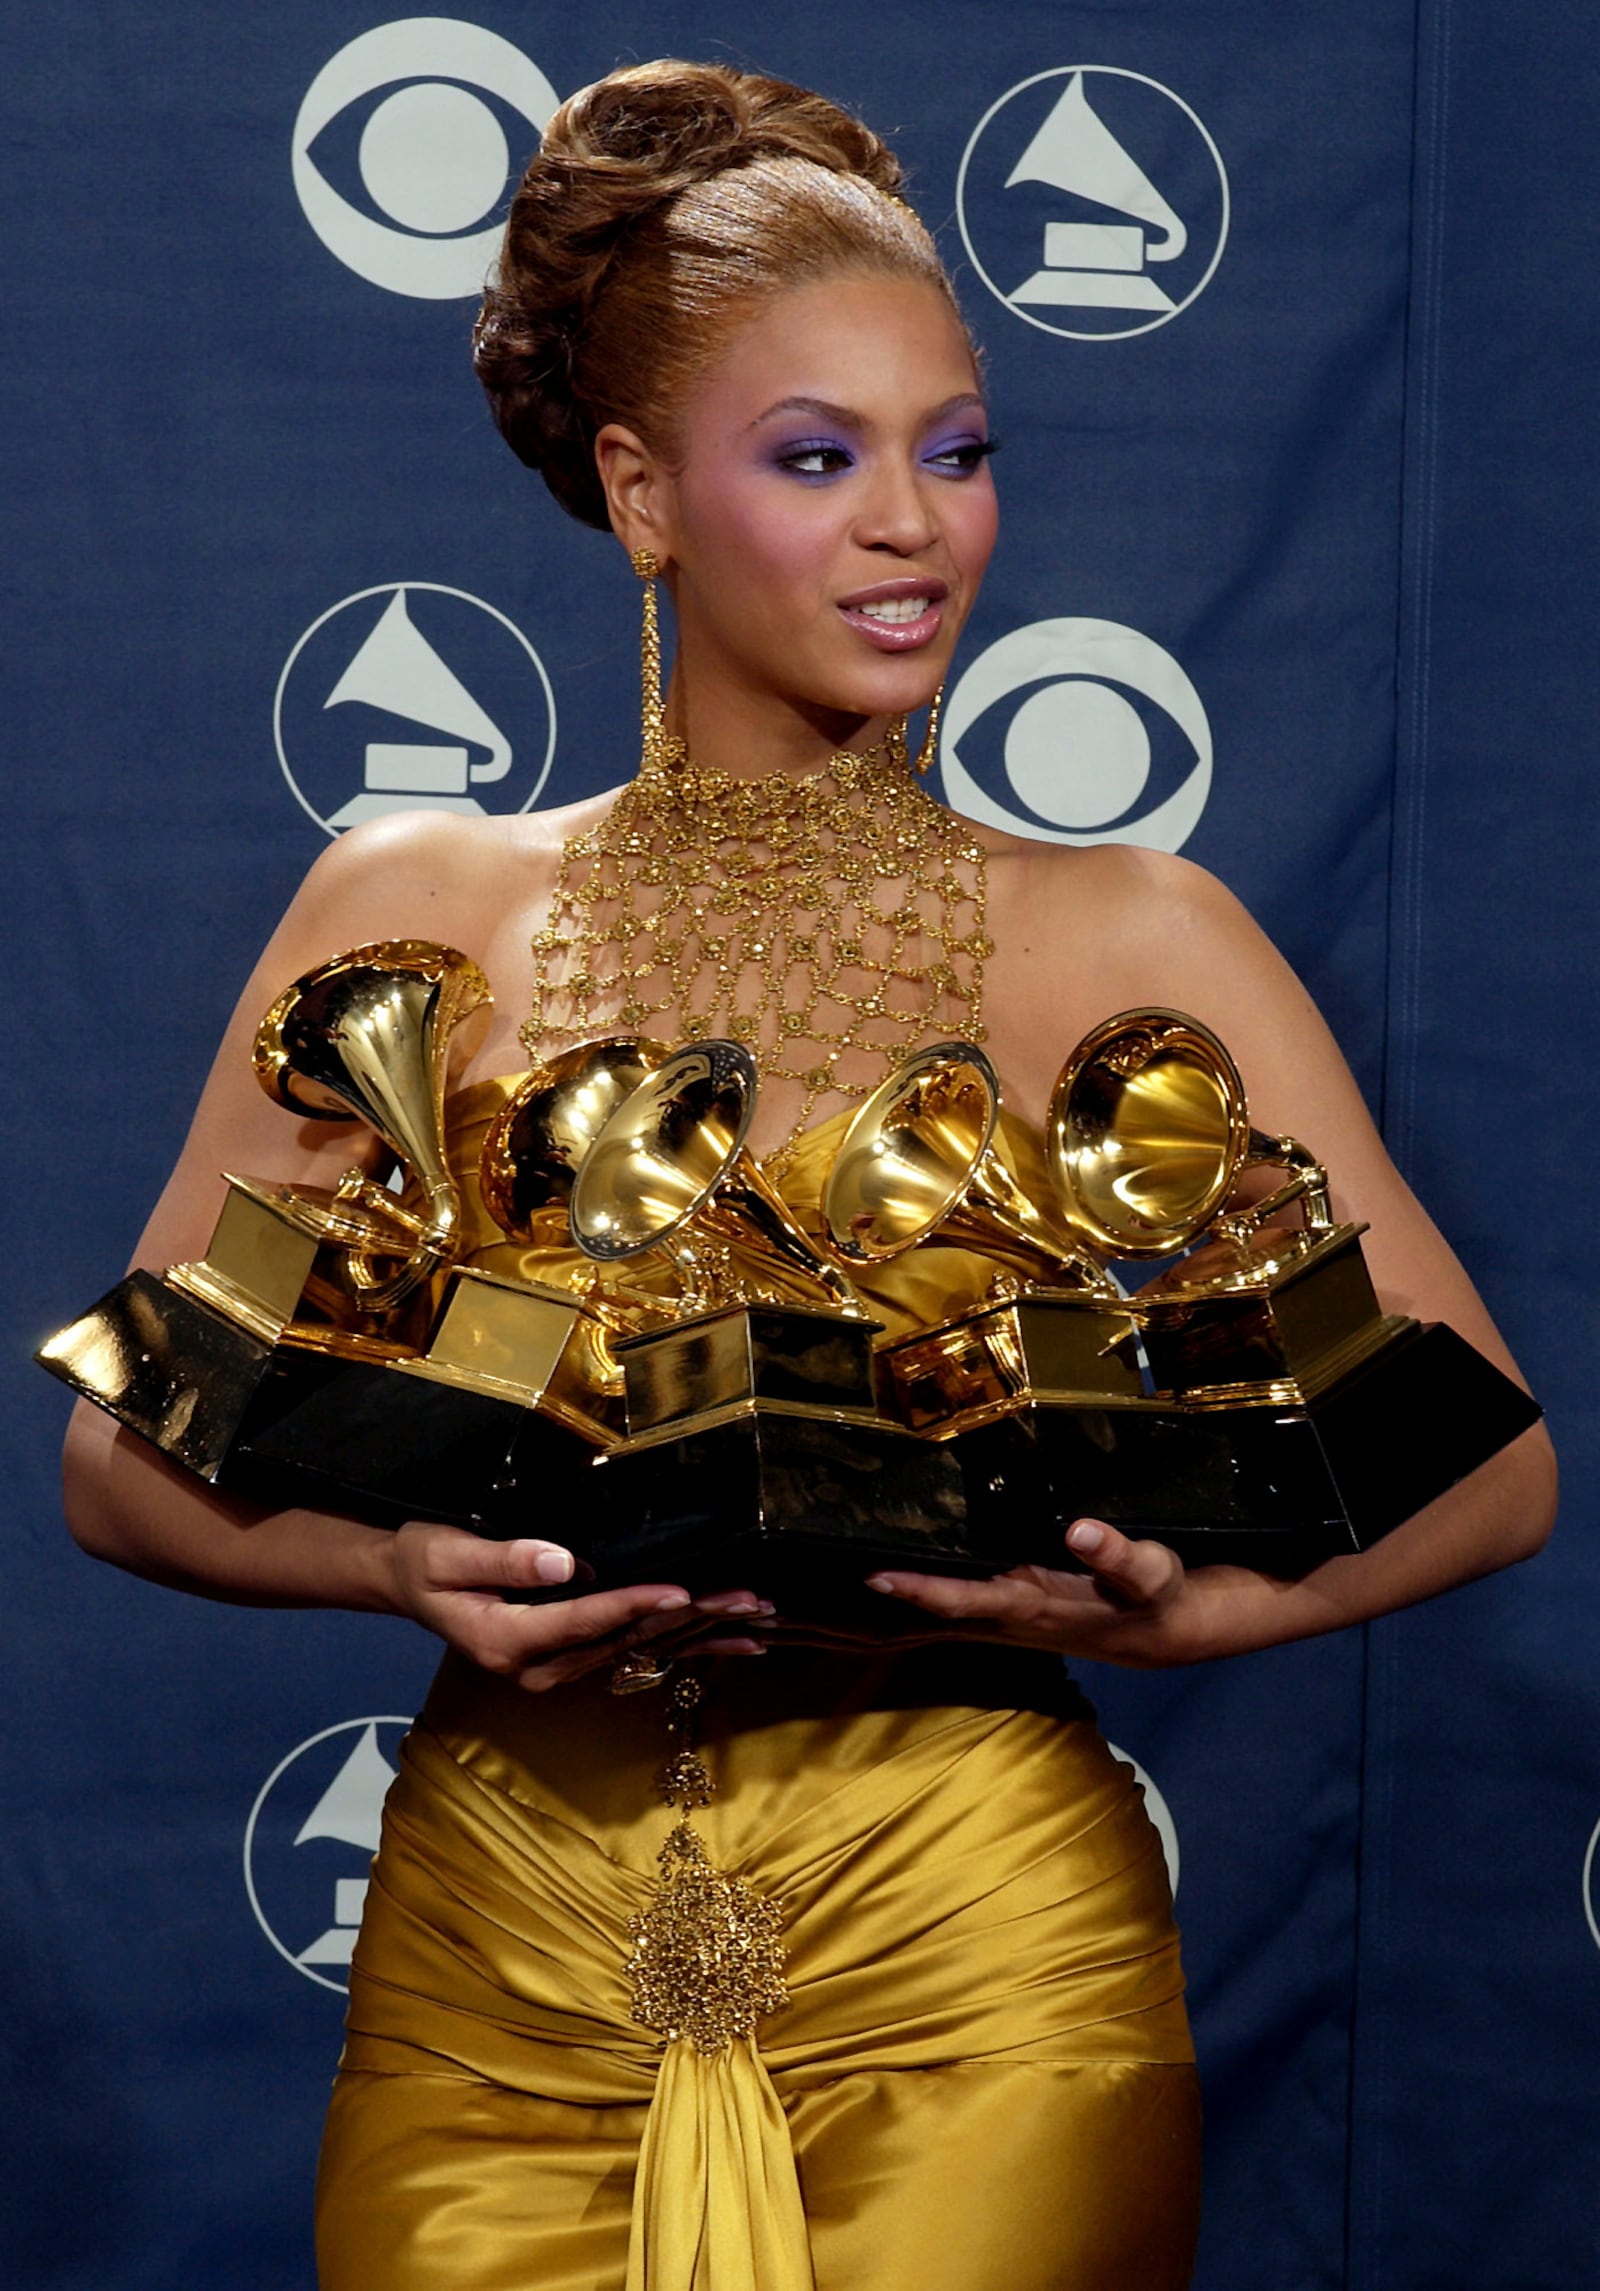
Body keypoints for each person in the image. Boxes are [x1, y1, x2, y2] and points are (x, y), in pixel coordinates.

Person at [60, 58, 1554, 2291]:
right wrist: (396, 1576)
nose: (911, 526)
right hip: (496, 1950)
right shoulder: (419, 902)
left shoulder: (1132, 936)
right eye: (818, 459)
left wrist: (1195, 1615)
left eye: (954, 455)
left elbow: (1484, 1461)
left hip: (974, 1946)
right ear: (641, 493)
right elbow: (122, 1465)